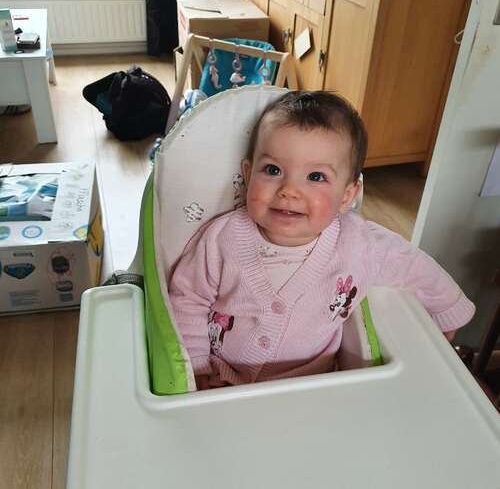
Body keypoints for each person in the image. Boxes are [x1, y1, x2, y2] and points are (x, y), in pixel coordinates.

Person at [168, 91, 475, 390]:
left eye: (316, 177)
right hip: (223, 382)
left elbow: (413, 265)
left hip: (313, 389)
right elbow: (187, 300)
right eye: (273, 170)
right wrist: (197, 367)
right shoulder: (221, 239)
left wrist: (449, 312)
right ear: (248, 175)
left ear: (347, 195)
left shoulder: (359, 243)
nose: (289, 190)